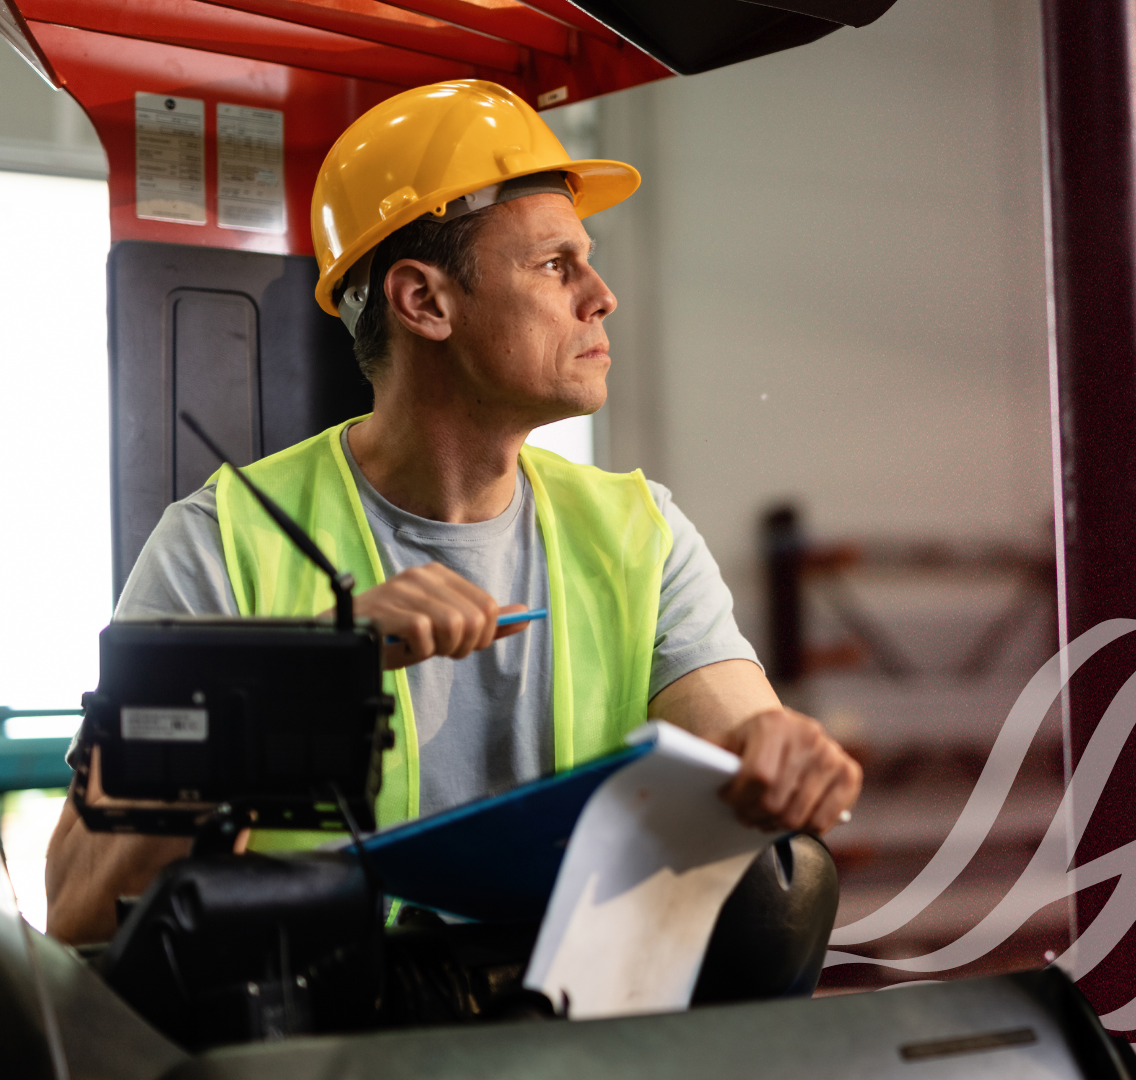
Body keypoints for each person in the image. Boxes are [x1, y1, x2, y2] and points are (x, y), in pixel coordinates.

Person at [44, 80, 862, 945]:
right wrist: (303, 679)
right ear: (423, 301)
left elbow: (741, 745)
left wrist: (785, 761)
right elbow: (80, 910)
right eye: (556, 265)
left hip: (559, 1030)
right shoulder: (219, 547)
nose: (600, 294)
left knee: (787, 885)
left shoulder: (639, 533)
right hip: (316, 1045)